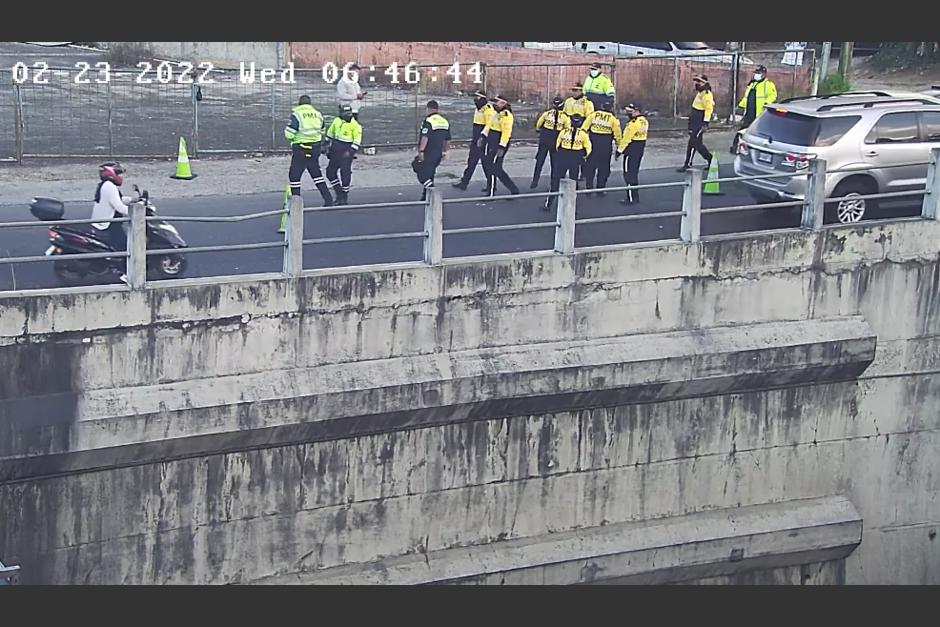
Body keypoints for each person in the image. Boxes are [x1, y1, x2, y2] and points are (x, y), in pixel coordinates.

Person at [284, 95, 334, 206]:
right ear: (310, 104)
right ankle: (328, 200)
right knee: (316, 174)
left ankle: (296, 203)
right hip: (315, 149)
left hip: (300, 148)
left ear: (299, 103)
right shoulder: (318, 114)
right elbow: (322, 131)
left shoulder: (297, 115)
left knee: (295, 176)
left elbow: (289, 134)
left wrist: (295, 138)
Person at [544, 114, 591, 211]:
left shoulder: (563, 132)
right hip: (575, 157)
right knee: (574, 182)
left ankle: (548, 204)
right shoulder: (583, 134)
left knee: (556, 180)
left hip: (563, 156)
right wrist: (583, 156)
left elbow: (557, 145)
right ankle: (573, 208)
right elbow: (588, 148)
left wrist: (560, 154)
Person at [453, 90, 496, 191]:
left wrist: (482, 137)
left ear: (482, 98)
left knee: (486, 164)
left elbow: (489, 125)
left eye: (477, 97)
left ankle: (491, 186)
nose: (475, 99)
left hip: (483, 140)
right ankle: (464, 182)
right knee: (471, 161)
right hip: (476, 139)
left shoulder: (488, 110)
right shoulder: (478, 109)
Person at [479, 94, 520, 197]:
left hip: (499, 143)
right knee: (496, 168)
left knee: (492, 166)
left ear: (503, 103)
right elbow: (489, 125)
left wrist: (501, 147)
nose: (494, 104)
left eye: (497, 102)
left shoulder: (506, 115)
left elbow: (506, 132)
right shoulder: (497, 113)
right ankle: (513, 189)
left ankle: (491, 192)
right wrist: (483, 135)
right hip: (492, 141)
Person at [730, 64, 777, 153]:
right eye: (756, 73)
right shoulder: (752, 84)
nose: (756, 75)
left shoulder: (768, 84)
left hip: (759, 113)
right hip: (749, 113)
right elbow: (746, 97)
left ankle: (758, 149)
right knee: (742, 130)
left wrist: (767, 103)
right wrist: (740, 106)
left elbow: (773, 95)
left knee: (759, 133)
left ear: (764, 74)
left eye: (758, 73)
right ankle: (735, 147)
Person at [581, 96, 622, 195]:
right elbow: (618, 134)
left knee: (590, 166)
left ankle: (589, 188)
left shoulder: (593, 115)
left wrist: (582, 144)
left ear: (602, 106)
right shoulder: (613, 119)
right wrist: (619, 147)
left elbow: (583, 129)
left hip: (593, 143)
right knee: (604, 168)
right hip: (605, 144)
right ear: (611, 108)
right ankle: (600, 188)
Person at [324, 104, 363, 205]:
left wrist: (350, 152)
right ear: (340, 113)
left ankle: (344, 195)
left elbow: (357, 141)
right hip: (335, 149)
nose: (347, 115)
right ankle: (339, 193)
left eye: (349, 113)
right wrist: (325, 145)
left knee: (344, 173)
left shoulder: (355, 125)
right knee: (330, 172)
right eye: (345, 113)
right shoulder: (337, 121)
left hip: (346, 150)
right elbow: (330, 134)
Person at [91, 162, 132, 254]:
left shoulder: (105, 185)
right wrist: (138, 213)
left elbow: (116, 200)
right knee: (124, 247)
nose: (121, 176)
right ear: (110, 173)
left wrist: (132, 200)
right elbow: (119, 207)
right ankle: (123, 267)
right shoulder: (109, 186)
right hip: (109, 225)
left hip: (103, 223)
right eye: (118, 173)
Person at [530, 95, 570, 189]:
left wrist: (538, 130)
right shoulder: (565, 117)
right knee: (555, 163)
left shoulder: (547, 113)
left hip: (545, 138)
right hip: (556, 139)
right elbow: (567, 129)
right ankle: (554, 182)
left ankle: (535, 181)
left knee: (540, 161)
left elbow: (539, 123)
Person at [678, 74, 714, 172]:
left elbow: (708, 109)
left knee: (694, 142)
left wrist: (705, 123)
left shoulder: (707, 95)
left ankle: (688, 163)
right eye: (696, 82)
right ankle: (711, 160)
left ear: (705, 83)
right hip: (694, 120)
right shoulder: (700, 93)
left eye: (700, 82)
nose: (697, 84)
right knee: (697, 143)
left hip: (700, 121)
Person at [415, 100, 451, 201]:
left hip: (428, 152)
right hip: (438, 153)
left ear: (429, 109)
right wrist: (446, 151)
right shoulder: (444, 121)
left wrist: (421, 151)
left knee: (418, 168)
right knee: (430, 173)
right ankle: (426, 195)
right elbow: (447, 139)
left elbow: (425, 137)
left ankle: (432, 189)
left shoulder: (428, 121)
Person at [616, 102, 649, 205]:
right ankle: (635, 196)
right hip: (639, 150)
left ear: (637, 111)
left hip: (630, 151)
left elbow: (626, 138)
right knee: (634, 174)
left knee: (628, 175)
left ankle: (630, 197)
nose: (628, 113)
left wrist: (619, 151)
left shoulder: (633, 124)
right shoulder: (644, 121)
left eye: (631, 111)